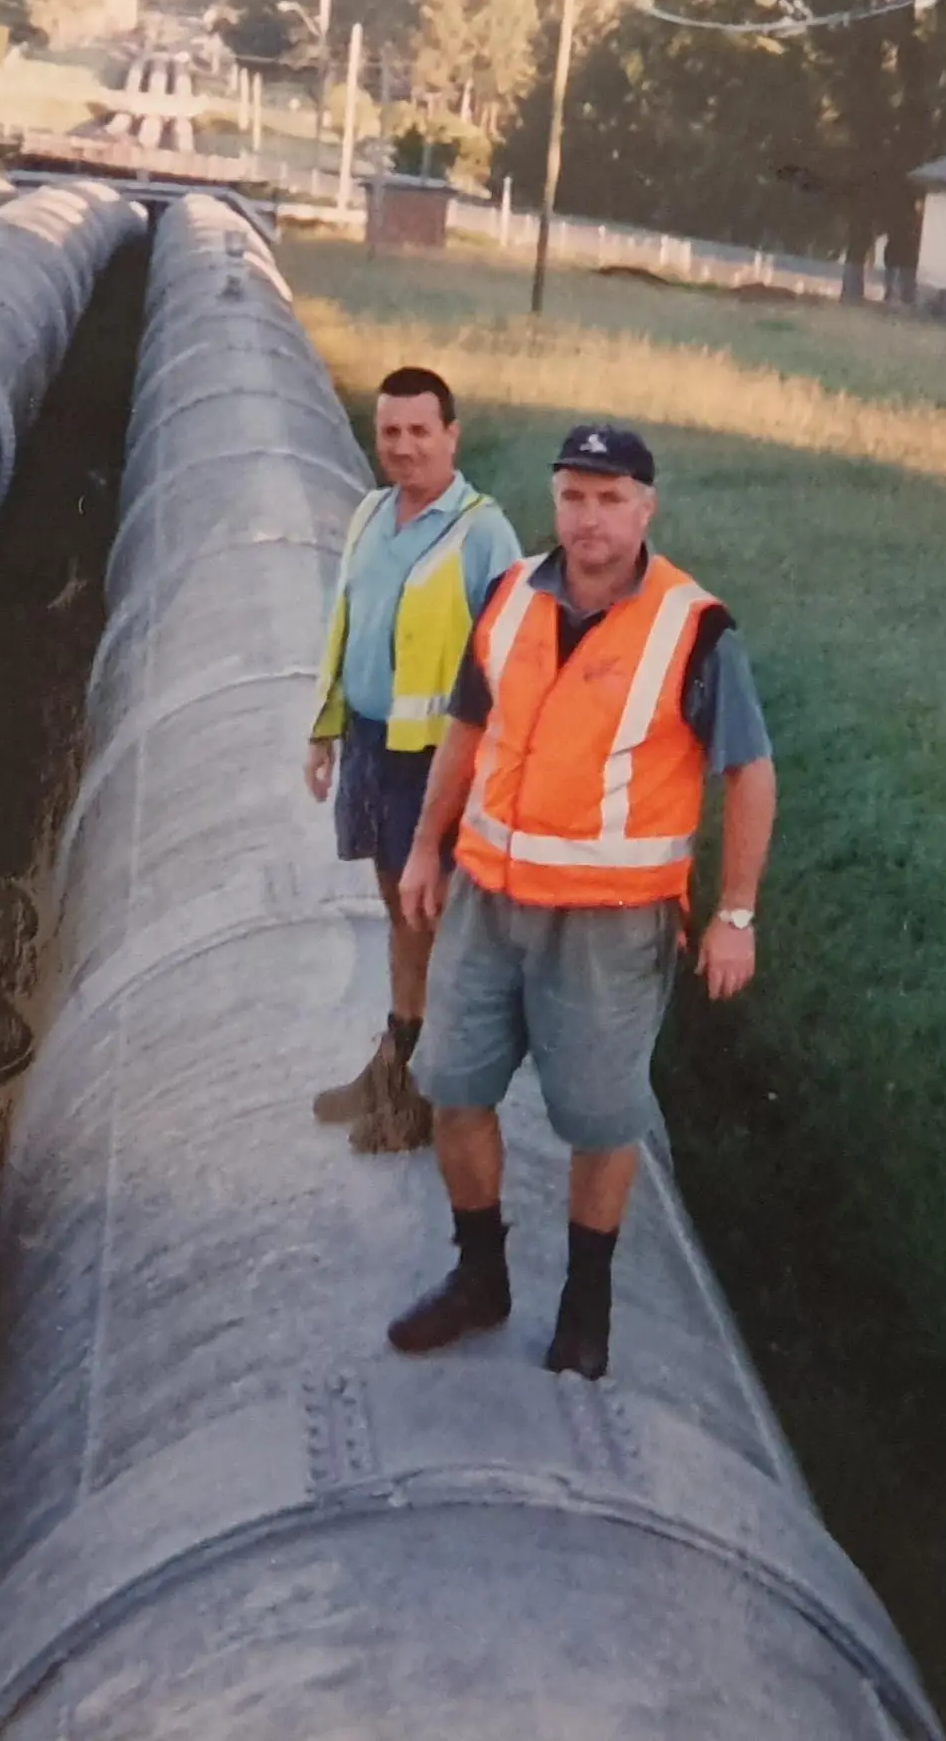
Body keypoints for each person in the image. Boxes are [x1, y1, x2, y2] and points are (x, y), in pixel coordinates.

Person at [389, 423, 775, 1380]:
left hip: (610, 926)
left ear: (646, 508)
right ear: (553, 500)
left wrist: (735, 914)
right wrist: (425, 848)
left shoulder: (694, 628)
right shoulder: (512, 594)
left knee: (603, 1120)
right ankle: (481, 1279)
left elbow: (751, 772)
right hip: (487, 902)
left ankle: (586, 1305)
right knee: (451, 1086)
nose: (589, 517)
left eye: (610, 499)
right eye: (573, 496)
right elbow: (468, 729)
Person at [304, 365, 525, 1153]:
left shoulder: (482, 533)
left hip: (433, 763)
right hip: (369, 745)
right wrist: (324, 728)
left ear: (450, 436)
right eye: (389, 431)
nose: (402, 447)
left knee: (428, 922)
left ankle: (425, 1096)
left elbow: (511, 664)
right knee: (398, 911)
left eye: (418, 432)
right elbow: (348, 625)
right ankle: (394, 1066)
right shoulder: (369, 512)